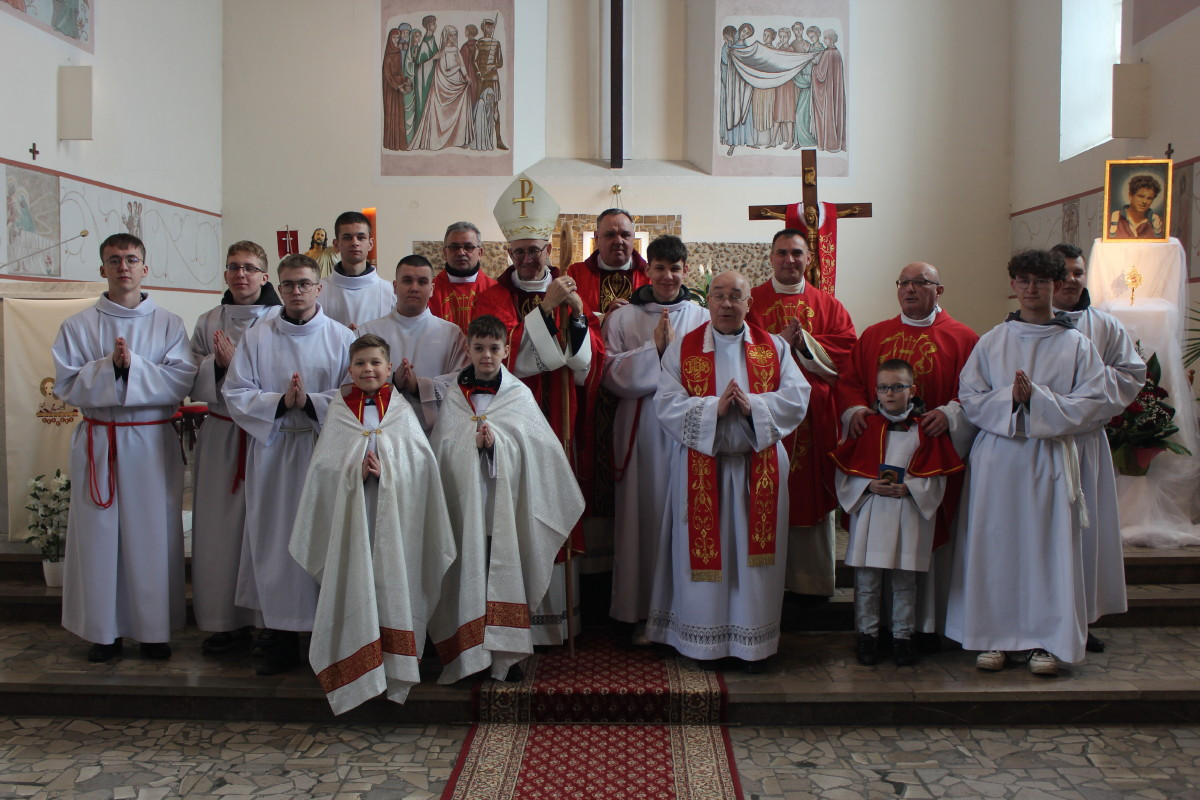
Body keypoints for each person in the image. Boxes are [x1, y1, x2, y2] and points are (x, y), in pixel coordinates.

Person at [946, 249, 1110, 676]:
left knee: (1046, 550)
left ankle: (1045, 642)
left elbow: (1094, 402)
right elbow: (970, 397)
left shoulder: (1076, 344)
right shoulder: (993, 341)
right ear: (1013, 285)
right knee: (996, 547)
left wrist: (1038, 401)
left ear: (1056, 285)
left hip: (1049, 457)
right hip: (999, 458)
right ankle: (994, 637)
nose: (1031, 288)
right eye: (1024, 280)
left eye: (1040, 281)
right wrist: (1010, 400)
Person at [647, 270, 810, 672]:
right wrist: (712, 410)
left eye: (735, 296)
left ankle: (754, 645)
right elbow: (665, 402)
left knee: (756, 567)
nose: (726, 303)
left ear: (748, 303)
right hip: (703, 467)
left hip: (759, 466)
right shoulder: (683, 349)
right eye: (718, 295)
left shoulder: (773, 347)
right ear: (708, 302)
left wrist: (754, 406)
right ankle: (704, 644)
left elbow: (797, 396)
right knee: (705, 561)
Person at [408, 315, 584, 683]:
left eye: (493, 348)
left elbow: (539, 452)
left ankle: (506, 655)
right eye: (479, 348)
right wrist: (469, 446)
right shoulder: (454, 396)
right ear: (468, 349)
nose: (486, 355)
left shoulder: (518, 395)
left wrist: (497, 446)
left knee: (504, 573)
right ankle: (470, 654)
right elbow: (442, 450)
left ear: (506, 350)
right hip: (464, 508)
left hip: (508, 508)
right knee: (468, 572)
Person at [289, 334, 455, 714]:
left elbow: (421, 470)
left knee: (393, 583)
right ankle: (357, 667)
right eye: (361, 363)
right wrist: (353, 473)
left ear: (389, 368)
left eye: (376, 363)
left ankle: (394, 668)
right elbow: (323, 471)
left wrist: (388, 473)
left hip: (395, 522)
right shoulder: (338, 412)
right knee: (355, 581)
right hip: (352, 521)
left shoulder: (401, 411)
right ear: (349, 370)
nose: (368, 369)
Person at [51, 233, 197, 662]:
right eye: (114, 260)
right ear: (102, 269)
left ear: (145, 268)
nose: (123, 267)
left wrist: (132, 368)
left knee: (152, 534)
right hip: (100, 439)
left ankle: (153, 632)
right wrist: (110, 368)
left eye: (131, 259)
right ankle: (104, 631)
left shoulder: (168, 323)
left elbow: (180, 380)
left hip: (150, 441)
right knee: (99, 536)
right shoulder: (78, 325)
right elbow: (66, 385)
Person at [473, 174, 604, 646]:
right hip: (513, 421)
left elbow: (586, 361)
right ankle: (518, 618)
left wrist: (579, 316)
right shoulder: (493, 297)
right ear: (509, 254)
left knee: (556, 499)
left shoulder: (569, 289)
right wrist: (546, 310)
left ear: (549, 249)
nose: (528, 259)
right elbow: (503, 356)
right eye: (519, 252)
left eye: (535, 250)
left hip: (561, 414)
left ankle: (559, 621)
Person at [223, 253, 356, 675]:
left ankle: (326, 641)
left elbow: (355, 392)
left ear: (319, 288)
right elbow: (236, 392)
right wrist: (281, 403)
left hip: (325, 450)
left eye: (304, 283)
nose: (296, 291)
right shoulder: (257, 337)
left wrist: (312, 402)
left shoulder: (341, 338)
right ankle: (280, 640)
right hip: (274, 452)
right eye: (288, 285)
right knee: (276, 542)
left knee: (325, 539)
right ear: (277, 288)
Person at [836, 262, 979, 648]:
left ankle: (924, 627)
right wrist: (856, 412)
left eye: (920, 283)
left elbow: (976, 392)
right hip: (879, 454)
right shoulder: (874, 335)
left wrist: (950, 414)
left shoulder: (964, 338)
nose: (910, 289)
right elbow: (849, 383)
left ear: (939, 290)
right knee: (872, 564)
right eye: (904, 283)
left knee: (919, 555)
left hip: (927, 455)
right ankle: (873, 630)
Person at [602, 235, 708, 643]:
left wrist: (671, 358)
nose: (667, 276)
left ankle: (684, 613)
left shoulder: (701, 316)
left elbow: (710, 370)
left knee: (682, 518)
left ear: (685, 270)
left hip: (685, 430)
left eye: (675, 268)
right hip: (641, 428)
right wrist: (655, 351)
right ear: (647, 270)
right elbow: (609, 374)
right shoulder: (623, 317)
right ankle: (639, 610)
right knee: (641, 517)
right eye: (660, 268)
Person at [747, 230, 856, 610]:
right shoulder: (750, 301)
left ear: (809, 258)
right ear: (771, 257)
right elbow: (734, 349)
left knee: (809, 494)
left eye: (796, 253)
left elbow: (847, 353)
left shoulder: (829, 305)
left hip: (813, 416)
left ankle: (811, 583)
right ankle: (764, 583)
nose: (789, 260)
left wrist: (804, 343)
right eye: (782, 253)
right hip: (765, 416)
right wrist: (776, 342)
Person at [829, 359, 963, 667]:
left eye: (897, 387)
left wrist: (912, 488)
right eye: (883, 388)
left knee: (905, 582)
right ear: (876, 390)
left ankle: (903, 637)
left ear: (912, 390)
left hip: (908, 514)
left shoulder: (925, 429)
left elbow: (937, 477)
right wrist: (868, 485)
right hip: (872, 512)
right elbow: (845, 473)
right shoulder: (864, 426)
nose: (889, 394)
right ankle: (867, 636)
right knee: (867, 582)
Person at [1051, 243, 1146, 652]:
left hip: (1085, 443)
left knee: (1083, 536)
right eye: (1063, 273)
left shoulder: (1105, 325)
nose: (1071, 280)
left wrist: (1083, 398)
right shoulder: (1025, 325)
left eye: (1078, 272)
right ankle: (1044, 616)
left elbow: (1131, 375)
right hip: (1043, 445)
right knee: (1046, 536)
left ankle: (1081, 620)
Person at [189, 241, 282, 654]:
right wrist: (217, 365)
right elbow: (186, 373)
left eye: (249, 268)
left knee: (267, 528)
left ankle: (271, 622)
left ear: (264, 275)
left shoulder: (282, 319)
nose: (240, 275)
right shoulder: (209, 320)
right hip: (224, 433)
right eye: (233, 267)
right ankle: (225, 621)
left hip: (268, 435)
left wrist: (237, 368)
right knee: (221, 530)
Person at [359, 254, 468, 384]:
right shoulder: (368, 332)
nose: (414, 288)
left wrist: (419, 387)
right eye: (407, 281)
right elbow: (355, 380)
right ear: (395, 286)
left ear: (432, 289)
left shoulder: (452, 334)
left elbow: (459, 382)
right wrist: (393, 380)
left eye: (422, 282)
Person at [567, 208, 650, 318]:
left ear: (633, 238)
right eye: (610, 235)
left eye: (625, 234)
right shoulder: (575, 275)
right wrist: (604, 318)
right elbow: (565, 316)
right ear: (597, 238)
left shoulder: (650, 275)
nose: (619, 241)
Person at [319, 211, 396, 328]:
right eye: (347, 238)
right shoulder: (318, 291)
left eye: (361, 237)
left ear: (370, 244)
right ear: (336, 244)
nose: (355, 243)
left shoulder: (390, 293)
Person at [410, 25, 474, 151]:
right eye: (451, 35)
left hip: (457, 83)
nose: (453, 37)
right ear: (446, 36)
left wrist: (466, 75)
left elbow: (462, 65)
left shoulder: (455, 49)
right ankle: (441, 140)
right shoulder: (443, 51)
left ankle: (459, 139)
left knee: (462, 104)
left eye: (455, 34)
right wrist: (458, 66)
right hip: (445, 85)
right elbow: (446, 71)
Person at [429, 221, 497, 335]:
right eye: (454, 247)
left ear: (480, 253)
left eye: (468, 247)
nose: (461, 252)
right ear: (445, 253)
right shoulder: (429, 290)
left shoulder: (495, 291)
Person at [473, 17, 507, 150]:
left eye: (492, 26)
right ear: (483, 27)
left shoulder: (496, 43)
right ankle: (480, 139)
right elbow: (475, 60)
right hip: (482, 78)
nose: (490, 29)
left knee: (495, 108)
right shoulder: (479, 43)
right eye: (488, 26)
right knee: (480, 106)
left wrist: (493, 66)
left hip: (493, 78)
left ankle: (498, 140)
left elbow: (500, 62)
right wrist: (479, 72)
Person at [810, 29, 846, 152]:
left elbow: (820, 74)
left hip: (827, 92)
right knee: (836, 112)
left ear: (831, 39)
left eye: (826, 38)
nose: (824, 40)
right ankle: (836, 143)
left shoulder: (827, 53)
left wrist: (814, 66)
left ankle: (827, 144)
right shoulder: (837, 53)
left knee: (828, 113)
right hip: (836, 91)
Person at [1108, 174, 1165, 239]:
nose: (1144, 201)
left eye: (1149, 198)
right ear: (1130, 195)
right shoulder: (1110, 220)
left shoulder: (1161, 224)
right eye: (1141, 196)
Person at [382, 26, 411, 152]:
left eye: (397, 38)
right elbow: (387, 75)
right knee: (391, 114)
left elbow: (399, 71)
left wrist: (405, 80)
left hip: (398, 88)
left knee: (399, 114)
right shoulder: (388, 54)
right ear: (390, 38)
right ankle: (391, 144)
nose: (395, 40)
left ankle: (399, 143)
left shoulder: (398, 52)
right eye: (394, 37)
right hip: (391, 90)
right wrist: (396, 86)